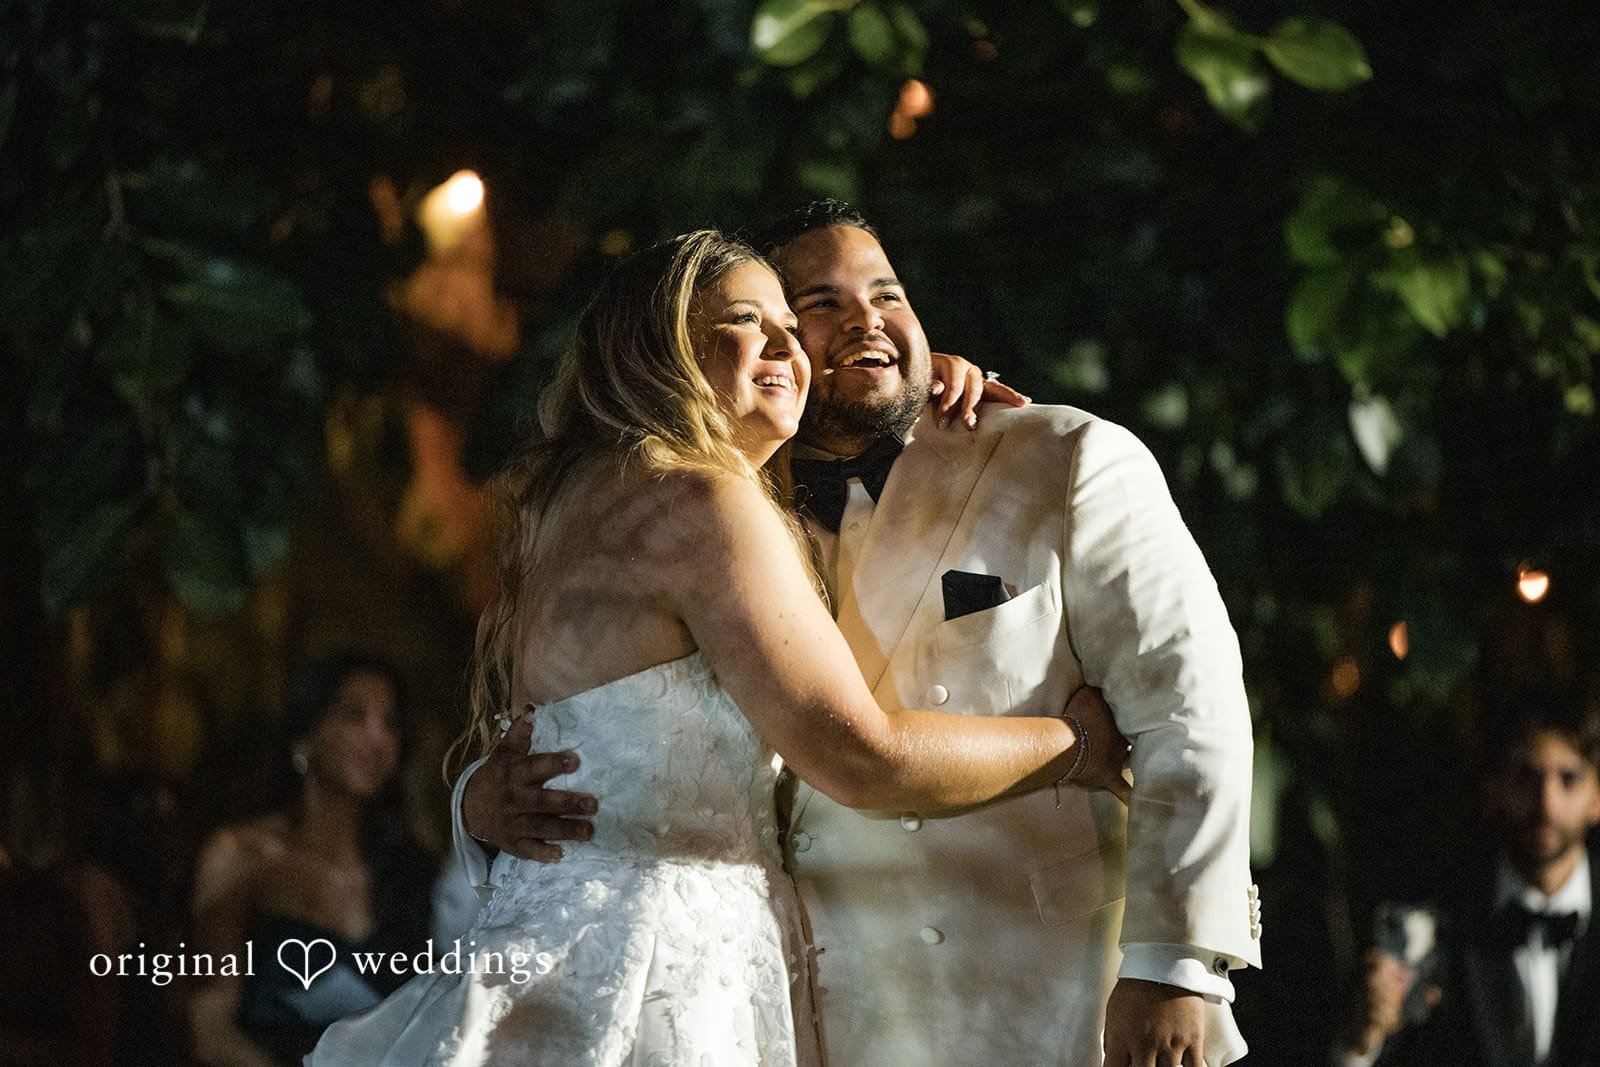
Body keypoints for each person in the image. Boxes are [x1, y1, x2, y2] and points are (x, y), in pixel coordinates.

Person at [459, 202, 1262, 1066]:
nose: (868, 319)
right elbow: (621, 720)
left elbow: (1191, 709)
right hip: (804, 1019)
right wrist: (478, 799)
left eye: (888, 295)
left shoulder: (1061, 454)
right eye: (822, 306)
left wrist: (1177, 965)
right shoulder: (715, 503)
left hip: (1045, 1000)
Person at [309, 230, 1130, 1065]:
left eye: (789, 325)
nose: (789, 346)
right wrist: (1080, 745)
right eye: (748, 320)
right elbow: (858, 757)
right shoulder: (703, 503)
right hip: (660, 973)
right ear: (663, 351)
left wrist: (916, 380)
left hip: (559, 945)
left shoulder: (571, 504)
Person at [190, 651, 434, 1067]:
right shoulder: (242, 855)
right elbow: (209, 1029)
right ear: (304, 738)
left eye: (390, 723)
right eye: (353, 717)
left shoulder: (411, 871)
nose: (377, 738)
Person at [1337, 693, 1600, 1067]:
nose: (1547, 801)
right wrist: (1363, 1037)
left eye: (1569, 779)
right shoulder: (1437, 908)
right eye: (1527, 776)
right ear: (1495, 788)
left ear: (1597, 797)